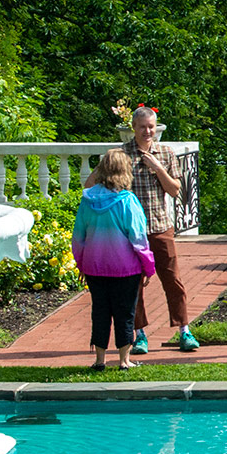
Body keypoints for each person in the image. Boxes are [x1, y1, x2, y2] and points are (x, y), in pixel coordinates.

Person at [121, 106, 195, 354]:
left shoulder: (165, 153)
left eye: (151, 126)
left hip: (160, 226)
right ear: (134, 128)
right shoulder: (122, 155)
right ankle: (139, 334)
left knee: (172, 280)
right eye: (142, 127)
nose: (147, 131)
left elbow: (175, 190)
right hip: (130, 232)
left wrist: (157, 167)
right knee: (134, 285)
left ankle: (184, 330)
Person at [73, 148, 156, 370]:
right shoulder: (127, 201)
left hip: (94, 267)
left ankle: (100, 360)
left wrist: (81, 264)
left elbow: (78, 237)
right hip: (125, 269)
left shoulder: (87, 200)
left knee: (99, 312)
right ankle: (124, 360)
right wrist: (148, 266)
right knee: (125, 313)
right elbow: (138, 238)